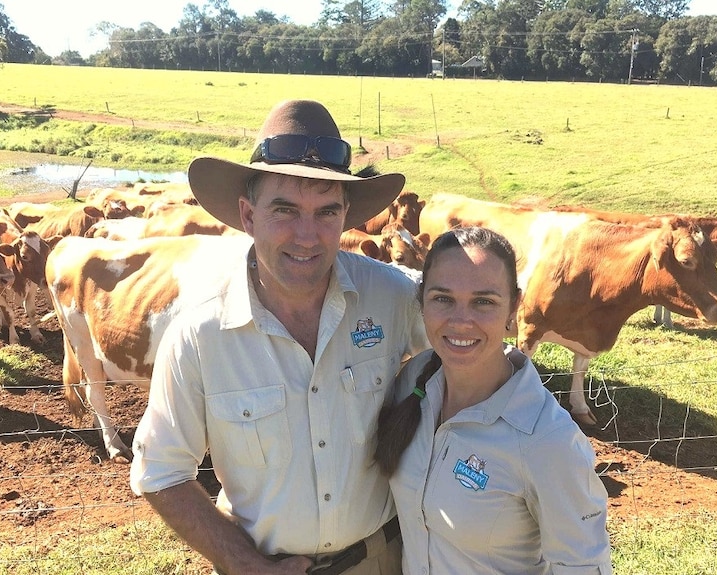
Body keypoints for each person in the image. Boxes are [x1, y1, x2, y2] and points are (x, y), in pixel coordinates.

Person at [129, 99, 429, 575]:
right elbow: (160, 472)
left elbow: (474, 352)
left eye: (327, 212)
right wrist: (244, 564)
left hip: (384, 559)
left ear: (347, 215)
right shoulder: (200, 333)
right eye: (285, 210)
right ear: (248, 215)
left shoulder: (392, 295)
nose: (307, 236)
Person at [374, 226, 613, 575]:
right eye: (443, 298)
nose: (460, 321)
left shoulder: (547, 439)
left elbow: (583, 566)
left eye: (483, 302)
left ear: (514, 306)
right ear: (422, 300)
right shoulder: (416, 381)